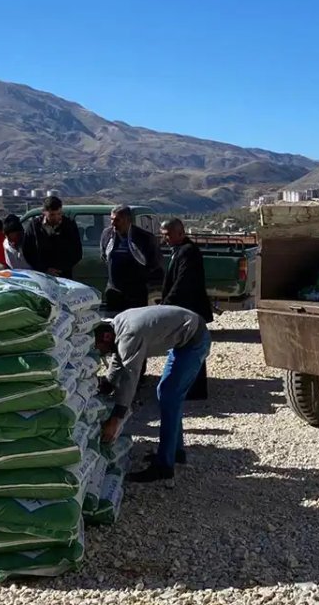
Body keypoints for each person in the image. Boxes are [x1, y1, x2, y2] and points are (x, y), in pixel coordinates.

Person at [96, 305, 210, 483]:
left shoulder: (129, 334)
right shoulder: (118, 325)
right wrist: (108, 384)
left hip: (193, 341)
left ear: (106, 336)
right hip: (183, 338)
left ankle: (164, 467)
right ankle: (176, 452)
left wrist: (116, 417)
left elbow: (130, 377)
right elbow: (119, 359)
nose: (101, 353)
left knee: (170, 397)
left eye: (100, 348)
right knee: (166, 395)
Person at [160, 218, 213, 401]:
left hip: (191, 309)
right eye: (163, 235)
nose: (165, 238)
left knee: (193, 348)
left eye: (168, 235)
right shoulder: (178, 251)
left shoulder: (188, 252)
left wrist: (166, 304)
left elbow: (182, 283)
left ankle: (195, 390)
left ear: (180, 233)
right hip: (184, 309)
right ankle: (189, 387)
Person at [100, 205, 160, 313]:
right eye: (112, 219)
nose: (113, 223)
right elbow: (104, 256)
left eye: (117, 220)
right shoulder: (107, 235)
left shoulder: (144, 238)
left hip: (136, 293)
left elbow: (154, 263)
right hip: (113, 291)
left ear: (127, 220)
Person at [22, 196, 82, 278]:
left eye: (59, 214)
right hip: (41, 275)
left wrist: (60, 268)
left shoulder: (69, 225)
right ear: (44, 212)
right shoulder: (34, 226)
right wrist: (44, 269)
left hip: (63, 276)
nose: (56, 217)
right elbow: (27, 251)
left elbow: (77, 252)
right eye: (52, 215)